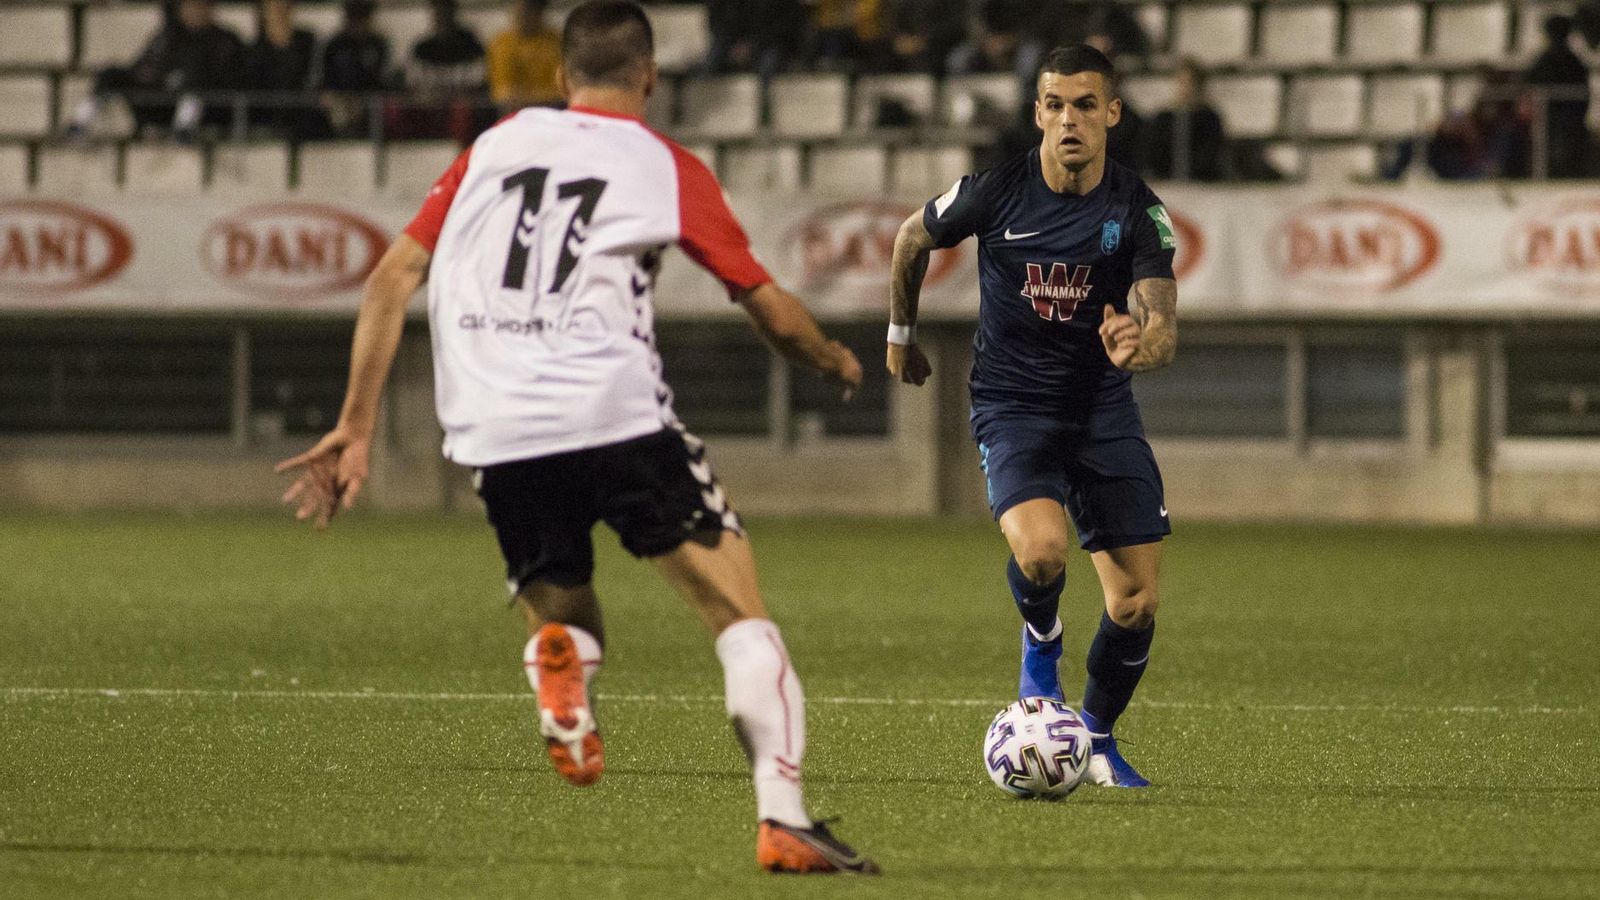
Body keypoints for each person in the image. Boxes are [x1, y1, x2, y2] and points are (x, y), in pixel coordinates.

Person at [276, 0, 877, 875]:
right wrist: (832, 361)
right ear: (650, 78)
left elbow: (390, 278)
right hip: (612, 411)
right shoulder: (665, 164)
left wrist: (355, 428)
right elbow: (764, 303)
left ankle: (564, 675)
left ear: (560, 79)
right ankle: (783, 818)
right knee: (740, 618)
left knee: (567, 611)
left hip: (495, 425)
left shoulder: (494, 146)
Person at [886, 44, 1177, 788]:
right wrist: (901, 333)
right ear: (1038, 112)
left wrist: (1138, 346)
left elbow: (1163, 329)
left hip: (1102, 410)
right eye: (1056, 104)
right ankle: (1040, 645)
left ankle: (1099, 742)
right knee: (1043, 553)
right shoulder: (997, 192)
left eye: (1087, 104)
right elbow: (910, 239)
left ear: (1112, 112)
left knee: (1136, 603)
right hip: (1013, 406)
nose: (1070, 119)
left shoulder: (1135, 209)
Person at [68, 0, 244, 139]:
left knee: (196, 73)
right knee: (111, 74)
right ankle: (80, 123)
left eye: (200, 6)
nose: (194, 11)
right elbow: (143, 67)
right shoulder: (169, 36)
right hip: (158, 99)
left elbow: (230, 79)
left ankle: (184, 128)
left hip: (205, 109)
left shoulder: (224, 39)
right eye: (189, 6)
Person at [245, 0, 325, 138]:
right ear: (265, 12)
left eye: (285, 6)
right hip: (265, 117)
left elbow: (314, 79)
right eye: (275, 7)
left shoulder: (306, 42)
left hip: (302, 116)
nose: (281, 11)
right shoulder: (255, 50)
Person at [1524, 14, 1592, 178]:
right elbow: (1528, 87)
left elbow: (1584, 96)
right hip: (1548, 120)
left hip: (1568, 121)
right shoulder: (1544, 61)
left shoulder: (1573, 62)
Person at [1143, 58, 1225, 181]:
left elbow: (1210, 156)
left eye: (1190, 83)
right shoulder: (1163, 118)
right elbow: (1153, 154)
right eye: (1181, 82)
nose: (1185, 88)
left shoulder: (1210, 119)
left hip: (1201, 184)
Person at [318, 0, 390, 137]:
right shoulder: (334, 45)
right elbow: (327, 79)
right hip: (339, 99)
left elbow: (380, 79)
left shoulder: (377, 44)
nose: (358, 24)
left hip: (368, 102)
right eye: (354, 17)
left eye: (362, 17)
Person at [486, 0, 563, 110]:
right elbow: (505, 96)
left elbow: (563, 93)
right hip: (515, 118)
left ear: (541, 10)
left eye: (531, 8)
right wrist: (545, 98)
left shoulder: (557, 42)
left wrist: (528, 98)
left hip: (555, 115)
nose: (524, 14)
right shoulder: (501, 45)